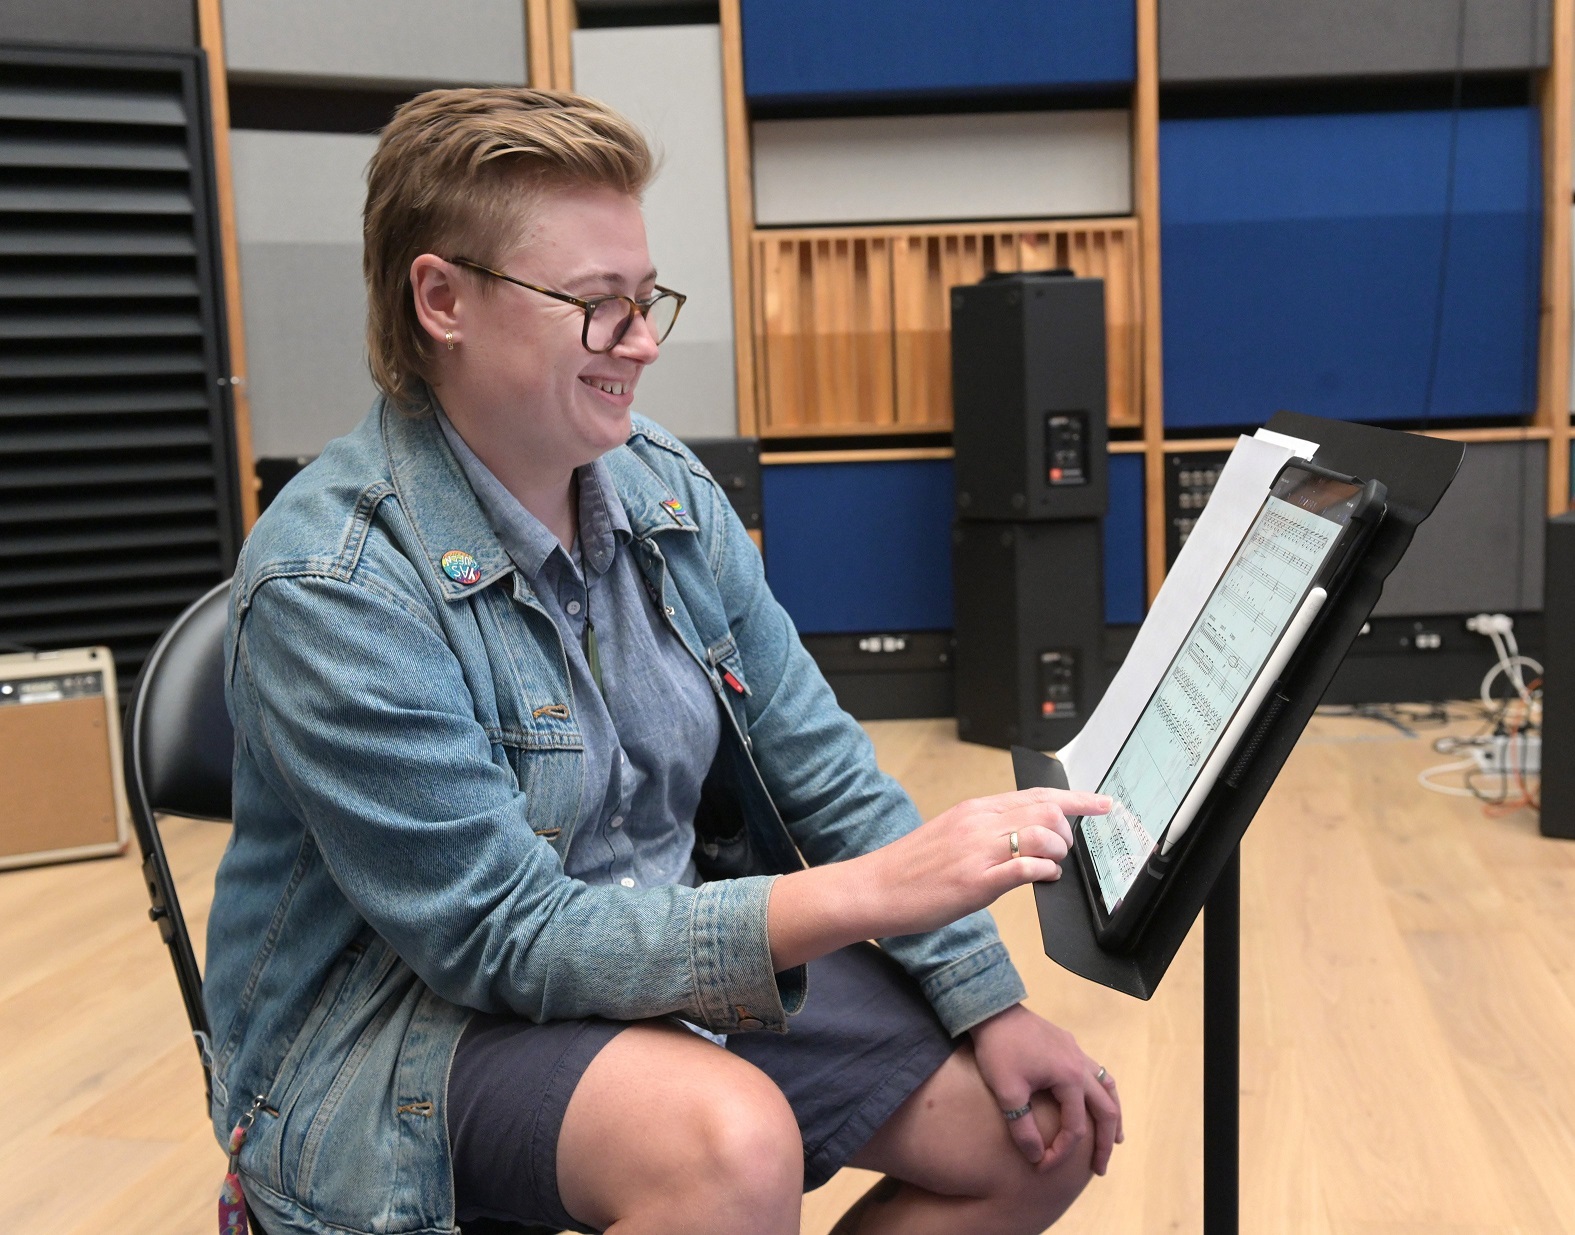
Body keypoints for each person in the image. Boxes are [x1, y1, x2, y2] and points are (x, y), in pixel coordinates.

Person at [206, 87, 1122, 1235]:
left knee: (1036, 1134)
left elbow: (819, 767)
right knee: (732, 1151)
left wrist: (987, 1001)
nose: (642, 341)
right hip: (404, 1026)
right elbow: (506, 933)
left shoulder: (662, 484)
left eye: (646, 300)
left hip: (653, 937)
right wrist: (862, 893)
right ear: (441, 298)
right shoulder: (331, 586)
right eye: (598, 305)